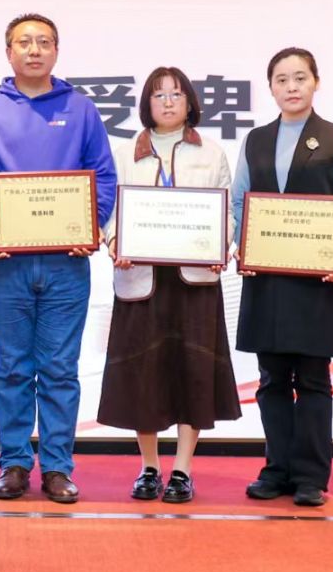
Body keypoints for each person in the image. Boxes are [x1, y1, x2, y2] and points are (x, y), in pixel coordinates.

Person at [0, 13, 119, 504]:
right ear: (8, 52)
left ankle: (57, 467)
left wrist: (90, 224)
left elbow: (103, 176)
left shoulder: (81, 110)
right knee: (12, 367)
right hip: (6, 262)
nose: (34, 50)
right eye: (24, 42)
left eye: (43, 42)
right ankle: (13, 463)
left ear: (56, 51)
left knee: (60, 369)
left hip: (66, 263)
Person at [230, 47, 333, 508]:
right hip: (266, 275)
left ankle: (310, 475)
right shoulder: (256, 139)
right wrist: (240, 245)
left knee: (312, 379)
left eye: (300, 78)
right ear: (270, 87)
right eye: (282, 79)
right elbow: (240, 200)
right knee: (271, 379)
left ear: (316, 82)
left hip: (317, 278)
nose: (291, 87)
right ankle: (276, 468)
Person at [99, 66, 239, 504]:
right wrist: (115, 241)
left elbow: (227, 210)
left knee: (192, 373)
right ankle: (148, 466)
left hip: (193, 279)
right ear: (146, 103)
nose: (168, 102)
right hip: (141, 278)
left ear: (190, 101)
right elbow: (109, 209)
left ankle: (182, 469)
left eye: (176, 94)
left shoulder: (211, 152)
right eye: (158, 95)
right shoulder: (125, 153)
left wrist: (221, 245)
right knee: (144, 374)